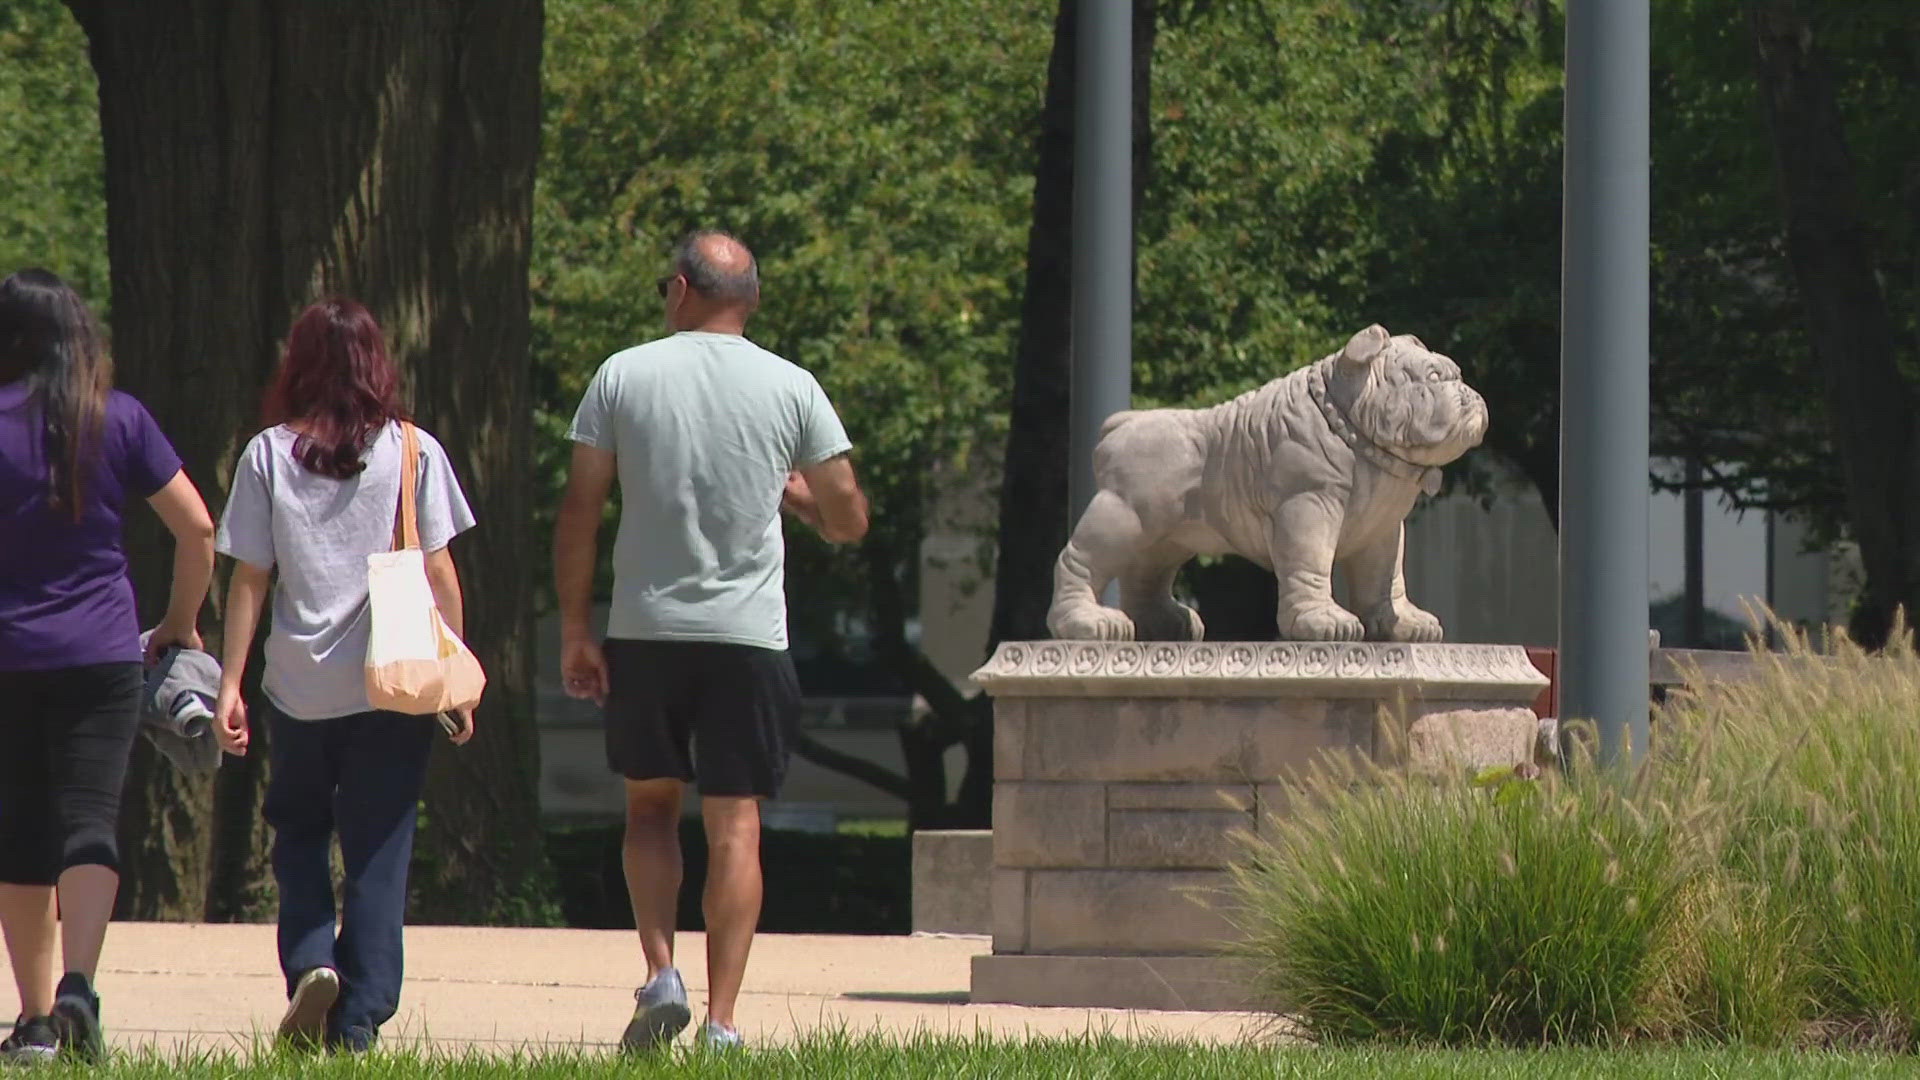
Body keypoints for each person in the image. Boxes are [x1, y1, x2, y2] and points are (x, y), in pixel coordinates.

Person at [553, 230, 869, 1051]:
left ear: (684, 292)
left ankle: (661, 973)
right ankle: (723, 1025)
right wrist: (795, 501)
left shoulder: (623, 374)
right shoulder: (792, 387)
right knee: (737, 827)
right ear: (750, 301)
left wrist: (578, 630)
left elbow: (581, 510)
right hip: (749, 639)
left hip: (647, 631)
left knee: (649, 809)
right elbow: (849, 518)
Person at [211, 297, 478, 1053]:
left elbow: (249, 580)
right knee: (380, 847)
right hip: (390, 685)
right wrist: (454, 664)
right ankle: (358, 1016)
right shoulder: (412, 450)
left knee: (296, 831)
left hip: (298, 687)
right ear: (375, 364)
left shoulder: (267, 454)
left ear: (297, 364)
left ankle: (308, 964)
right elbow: (440, 571)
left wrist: (231, 681)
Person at [0, 268, 215, 1063]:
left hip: (8, 658)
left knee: (19, 830)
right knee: (88, 820)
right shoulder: (116, 419)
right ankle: (78, 988)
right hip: (101, 650)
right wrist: (178, 626)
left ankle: (29, 1021)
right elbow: (198, 528)